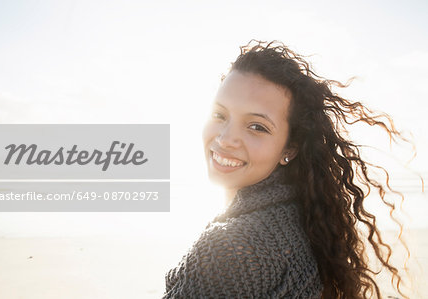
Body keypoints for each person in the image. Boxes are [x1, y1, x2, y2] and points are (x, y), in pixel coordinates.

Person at [162, 40, 413, 299]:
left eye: (257, 126)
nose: (226, 139)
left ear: (289, 149)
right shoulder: (302, 221)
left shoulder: (231, 249)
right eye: (219, 115)